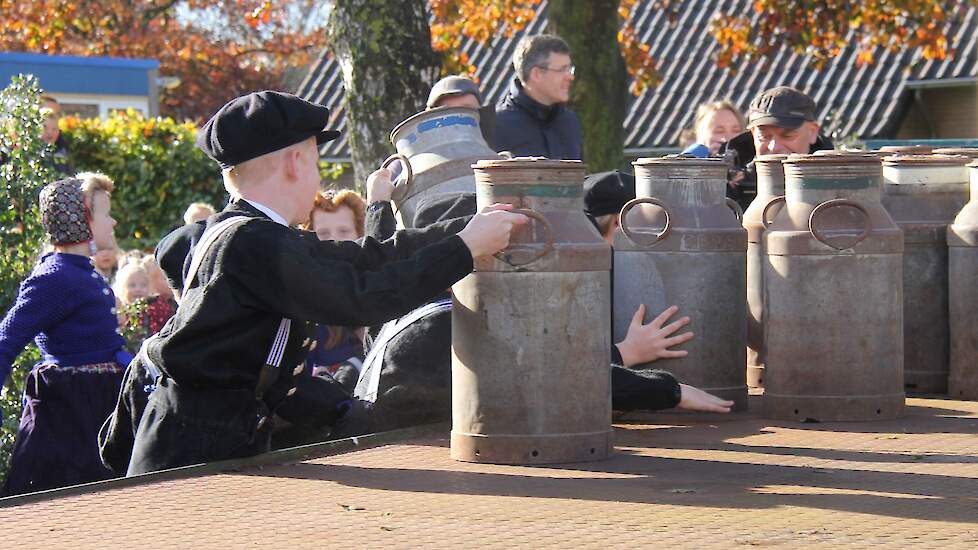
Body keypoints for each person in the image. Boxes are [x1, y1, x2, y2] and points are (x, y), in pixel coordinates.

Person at [120, 90, 528, 475]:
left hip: (210, 436)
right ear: (296, 163)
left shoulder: (251, 233)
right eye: (315, 164)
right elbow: (360, 298)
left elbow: (370, 256)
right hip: (194, 450)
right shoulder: (253, 242)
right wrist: (463, 249)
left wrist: (470, 227)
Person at [342, 176, 731, 435]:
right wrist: (669, 390)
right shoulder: (446, 327)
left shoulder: (401, 315)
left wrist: (379, 204)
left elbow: (386, 255)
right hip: (409, 461)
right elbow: (554, 375)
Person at [0, 172, 130, 495]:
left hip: (98, 404)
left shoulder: (82, 272)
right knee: (67, 499)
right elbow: (7, 339)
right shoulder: (54, 278)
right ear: (82, 219)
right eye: (105, 213)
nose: (112, 222)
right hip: (71, 412)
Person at [298, 189, 369, 390]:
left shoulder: (382, 290)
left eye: (344, 232)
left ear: (360, 234)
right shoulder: (303, 307)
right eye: (323, 234)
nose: (334, 241)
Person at [720, 86, 834, 208]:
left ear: (812, 132)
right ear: (753, 134)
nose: (774, 147)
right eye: (764, 136)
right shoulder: (727, 186)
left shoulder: (837, 183)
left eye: (788, 136)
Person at [493, 34, 582, 159]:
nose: (570, 77)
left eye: (570, 69)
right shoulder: (496, 126)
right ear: (537, 74)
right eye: (562, 70)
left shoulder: (569, 122)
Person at [681, 100, 746, 158]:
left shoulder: (749, 162)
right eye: (719, 131)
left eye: (736, 130)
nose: (728, 138)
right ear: (699, 133)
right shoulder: (685, 162)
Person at [39, 95, 73, 175]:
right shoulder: (25, 147)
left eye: (57, 113)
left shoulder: (63, 147)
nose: (54, 116)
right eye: (48, 112)